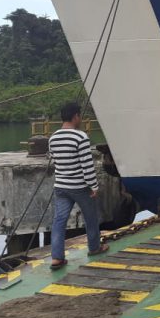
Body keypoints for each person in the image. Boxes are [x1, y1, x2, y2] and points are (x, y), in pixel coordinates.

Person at [49, 102, 108, 270]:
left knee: (59, 221)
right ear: (75, 116)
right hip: (80, 187)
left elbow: (55, 160)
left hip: (60, 186)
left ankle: (57, 258)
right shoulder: (80, 137)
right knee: (91, 218)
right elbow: (87, 166)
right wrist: (94, 186)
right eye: (79, 116)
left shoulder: (53, 138)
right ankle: (95, 248)